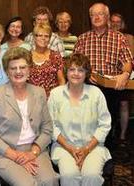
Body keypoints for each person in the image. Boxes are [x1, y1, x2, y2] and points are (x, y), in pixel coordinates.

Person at [0, 47, 58, 186]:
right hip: (5, 153)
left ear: (29, 69)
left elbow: (47, 129)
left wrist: (32, 153)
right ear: (7, 71)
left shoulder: (39, 92)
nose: (18, 72)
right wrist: (16, 156)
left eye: (22, 67)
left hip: (34, 150)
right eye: (13, 68)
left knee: (50, 180)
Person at [74, 3, 133, 145]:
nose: (96, 17)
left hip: (111, 89)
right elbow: (74, 62)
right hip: (88, 85)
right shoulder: (83, 38)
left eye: (100, 13)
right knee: (87, 121)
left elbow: (127, 61)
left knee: (108, 122)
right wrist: (86, 73)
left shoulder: (119, 38)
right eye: (93, 14)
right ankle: (86, 148)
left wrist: (125, 75)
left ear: (107, 17)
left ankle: (106, 151)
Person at [48, 53, 112, 186]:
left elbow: (104, 125)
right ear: (66, 72)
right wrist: (70, 148)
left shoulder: (96, 93)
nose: (76, 73)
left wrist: (87, 149)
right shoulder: (56, 94)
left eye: (81, 70)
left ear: (86, 73)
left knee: (91, 176)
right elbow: (51, 125)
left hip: (93, 146)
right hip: (64, 147)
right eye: (72, 69)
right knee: (69, 176)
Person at [110, 13, 134, 143]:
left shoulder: (129, 38)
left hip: (126, 76)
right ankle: (111, 131)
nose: (115, 24)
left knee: (124, 104)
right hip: (110, 78)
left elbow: (131, 58)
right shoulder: (106, 37)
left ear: (122, 24)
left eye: (118, 22)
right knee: (111, 105)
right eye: (112, 21)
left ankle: (123, 135)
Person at [28, 23, 65, 97]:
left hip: (52, 99)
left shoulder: (56, 56)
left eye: (46, 36)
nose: (43, 38)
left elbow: (61, 81)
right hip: (32, 99)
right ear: (34, 37)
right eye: (40, 35)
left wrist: (59, 98)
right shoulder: (27, 57)